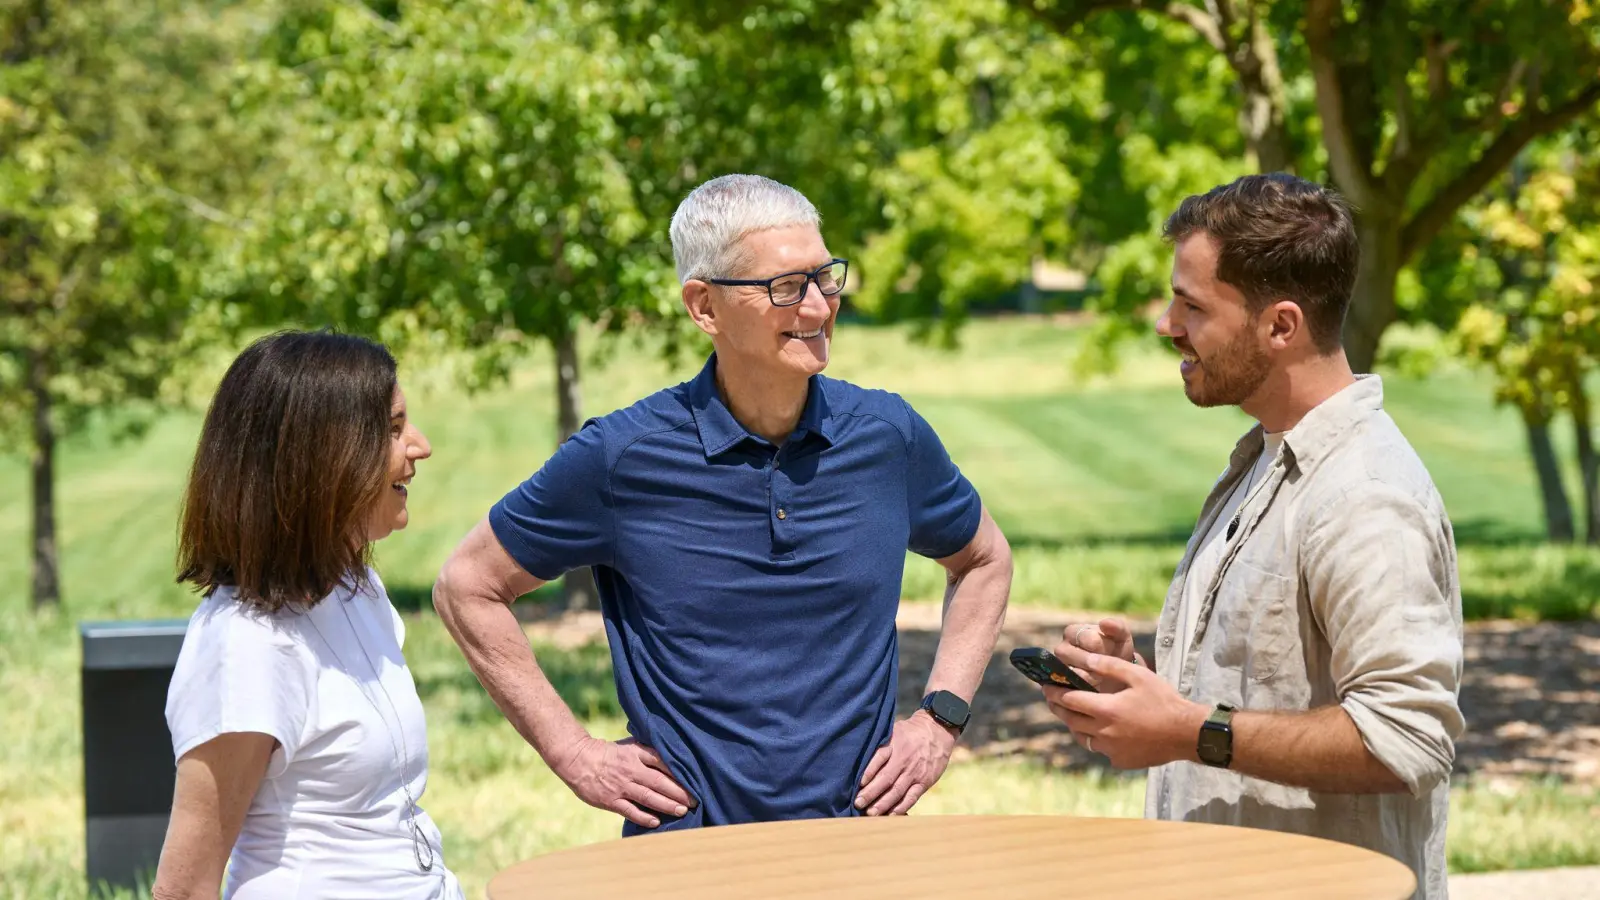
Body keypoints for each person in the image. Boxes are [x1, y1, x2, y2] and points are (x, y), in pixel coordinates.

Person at [433, 173, 1012, 834]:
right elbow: (467, 586)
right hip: (687, 859)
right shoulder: (622, 458)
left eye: (826, 278)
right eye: (785, 288)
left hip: (857, 847)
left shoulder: (887, 436)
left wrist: (940, 717)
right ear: (704, 306)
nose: (821, 308)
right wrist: (573, 753)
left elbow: (984, 559)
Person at [1041, 173, 1464, 900]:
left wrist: (1189, 729)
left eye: (1193, 305)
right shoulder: (1268, 459)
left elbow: (1407, 737)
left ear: (1281, 326)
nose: (1166, 324)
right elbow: (1260, 685)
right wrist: (1142, 688)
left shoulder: (1364, 495)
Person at [152, 330, 461, 900]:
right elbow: (184, 888)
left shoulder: (355, 587)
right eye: (392, 430)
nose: (420, 446)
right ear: (321, 461)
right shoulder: (247, 647)